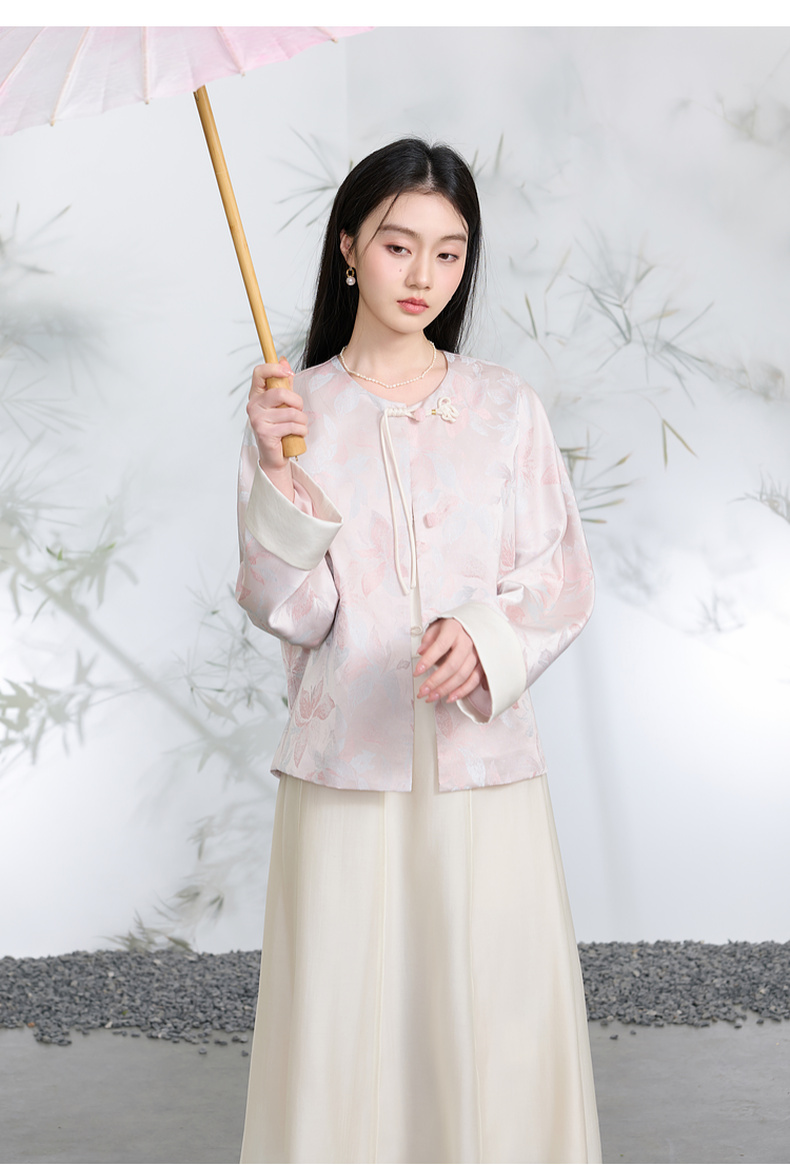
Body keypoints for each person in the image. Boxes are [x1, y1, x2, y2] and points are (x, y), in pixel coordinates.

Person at [235, 138, 601, 1165]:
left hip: (483, 766)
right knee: (345, 1021)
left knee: (495, 1009)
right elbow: (291, 608)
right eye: (398, 246)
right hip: (345, 767)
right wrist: (276, 472)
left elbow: (560, 575)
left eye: (448, 253)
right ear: (349, 248)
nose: (423, 275)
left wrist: (483, 640)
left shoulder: (505, 405)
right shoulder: (293, 411)